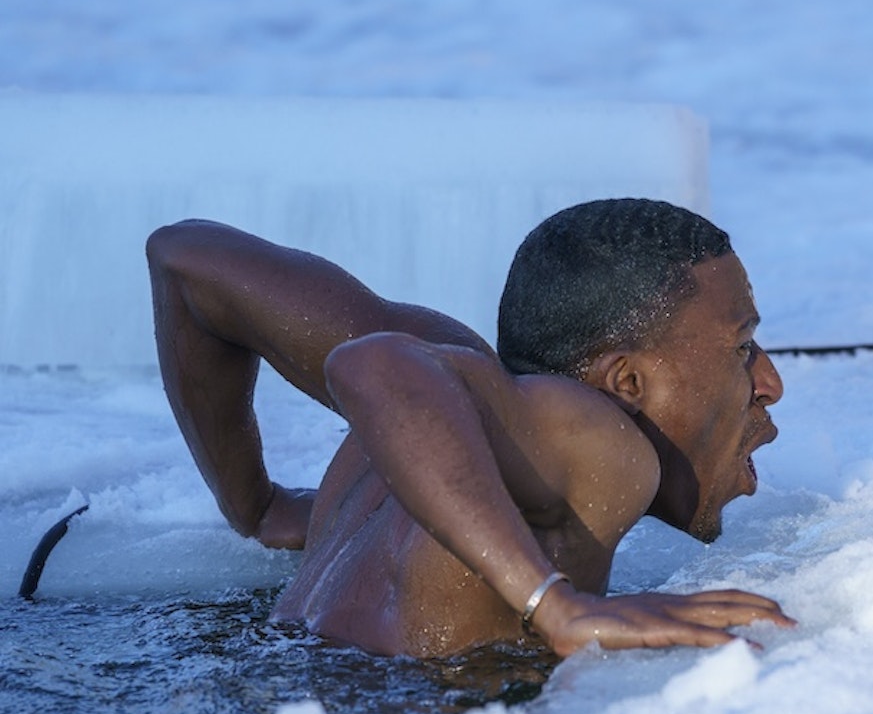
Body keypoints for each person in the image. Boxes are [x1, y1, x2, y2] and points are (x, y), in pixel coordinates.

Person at [145, 198, 794, 659]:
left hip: (272, 678)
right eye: (742, 348)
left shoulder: (457, 389)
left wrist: (255, 507)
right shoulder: (598, 439)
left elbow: (187, 258)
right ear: (627, 383)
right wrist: (557, 605)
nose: (770, 383)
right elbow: (375, 365)